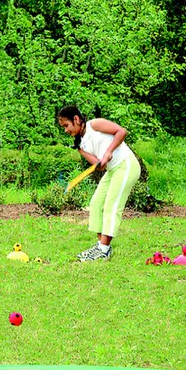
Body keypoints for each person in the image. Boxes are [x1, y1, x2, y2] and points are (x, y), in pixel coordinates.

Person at [57, 106, 142, 261]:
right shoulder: (81, 147)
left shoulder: (94, 125)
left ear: (76, 119)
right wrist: (99, 164)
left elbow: (121, 132)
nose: (65, 130)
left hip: (126, 165)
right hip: (111, 171)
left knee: (111, 206)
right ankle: (102, 247)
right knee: (96, 203)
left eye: (66, 126)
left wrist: (109, 151)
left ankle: (103, 249)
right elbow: (99, 165)